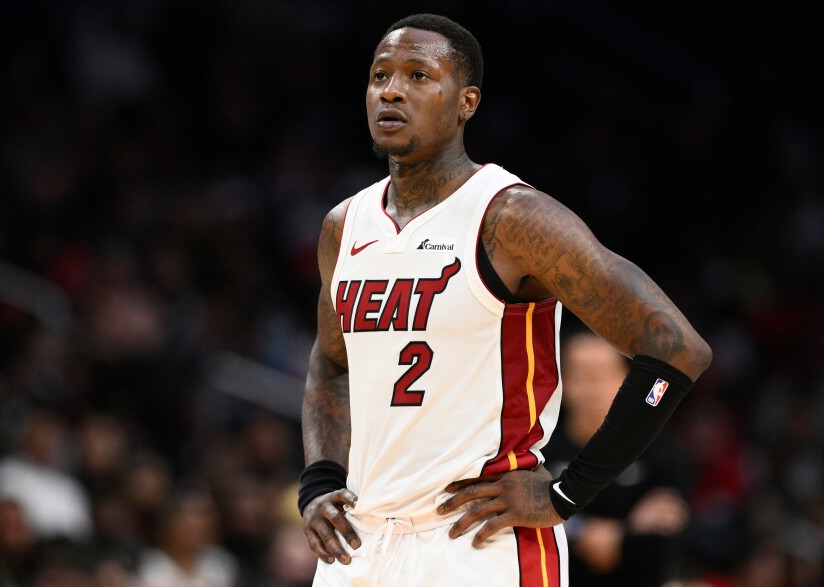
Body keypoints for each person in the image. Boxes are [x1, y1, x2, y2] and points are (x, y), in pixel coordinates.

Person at [298, 13, 712, 587]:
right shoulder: (344, 226)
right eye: (379, 75)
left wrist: (569, 492)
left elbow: (676, 349)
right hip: (361, 542)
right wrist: (319, 480)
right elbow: (330, 360)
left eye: (419, 76)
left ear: (466, 101)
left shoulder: (512, 218)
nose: (391, 90)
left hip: (477, 544)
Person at [546, 329, 692, 586]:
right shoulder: (539, 448)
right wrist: (621, 531)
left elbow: (665, 537)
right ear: (561, 381)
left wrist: (563, 522)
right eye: (580, 377)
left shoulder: (661, 453)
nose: (590, 390)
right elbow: (522, 521)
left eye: (601, 376)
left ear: (627, 379)